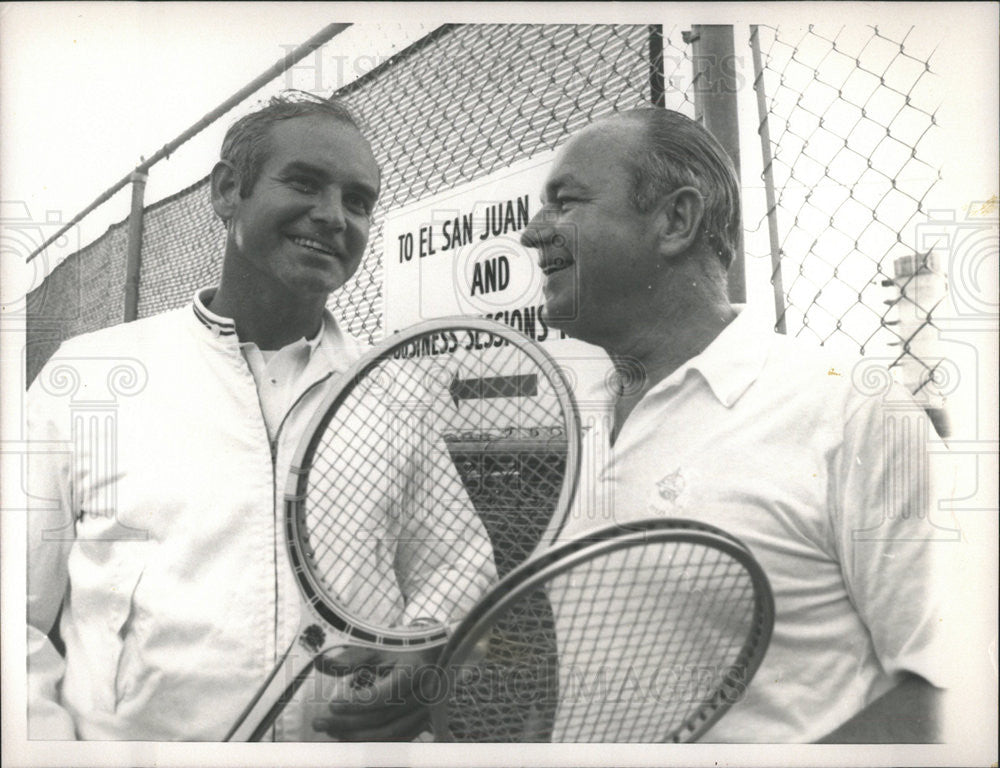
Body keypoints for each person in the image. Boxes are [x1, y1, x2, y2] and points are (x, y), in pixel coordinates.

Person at [26, 92, 495, 742]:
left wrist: (432, 642)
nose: (333, 216)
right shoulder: (89, 378)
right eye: (304, 183)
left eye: (358, 201)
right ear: (227, 190)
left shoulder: (393, 389)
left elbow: (458, 564)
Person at [518, 106, 954, 743]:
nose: (533, 234)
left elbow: (954, 691)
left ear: (675, 220)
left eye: (566, 202)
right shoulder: (589, 414)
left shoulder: (854, 408)